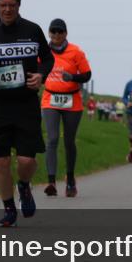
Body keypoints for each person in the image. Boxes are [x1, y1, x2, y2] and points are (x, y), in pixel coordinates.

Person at [0, 0, 54, 227]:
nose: (7, 9)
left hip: (26, 104)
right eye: (2, 4)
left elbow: (48, 59)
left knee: (26, 161)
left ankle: (24, 185)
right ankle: (9, 209)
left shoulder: (32, 30)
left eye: (11, 4)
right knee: (1, 161)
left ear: (19, 5)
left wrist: (40, 75)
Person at [41, 18, 92, 198]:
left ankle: (70, 179)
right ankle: (51, 182)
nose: (56, 35)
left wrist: (73, 78)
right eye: (53, 31)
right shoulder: (43, 51)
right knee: (52, 139)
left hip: (72, 101)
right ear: (49, 33)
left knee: (69, 141)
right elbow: (34, 69)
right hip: (50, 99)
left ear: (65, 34)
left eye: (60, 32)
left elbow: (87, 75)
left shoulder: (76, 52)